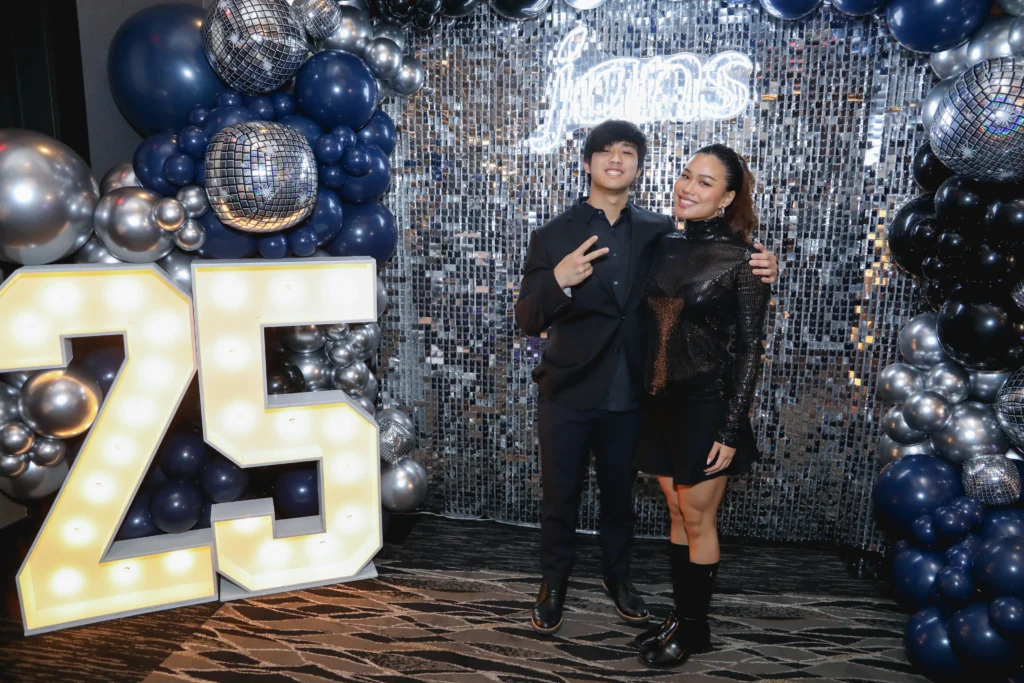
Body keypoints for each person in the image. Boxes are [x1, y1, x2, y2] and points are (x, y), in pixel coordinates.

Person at [514, 122, 778, 636]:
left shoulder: (660, 233)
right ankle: (553, 585)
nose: (616, 159)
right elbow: (527, 318)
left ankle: (620, 582)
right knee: (559, 497)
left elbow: (715, 259)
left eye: (628, 152)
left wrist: (764, 264)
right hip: (567, 390)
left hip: (637, 395)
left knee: (620, 500)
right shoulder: (552, 236)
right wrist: (558, 283)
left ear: (639, 167)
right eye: (605, 152)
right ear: (586, 163)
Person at [632, 144, 771, 667]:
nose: (688, 188)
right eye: (686, 176)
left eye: (705, 182)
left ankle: (693, 630)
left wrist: (731, 431)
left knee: (697, 516)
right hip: (659, 403)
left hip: (708, 406)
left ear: (727, 198)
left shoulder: (746, 261)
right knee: (674, 510)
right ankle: (683, 617)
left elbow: (751, 351)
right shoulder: (660, 244)